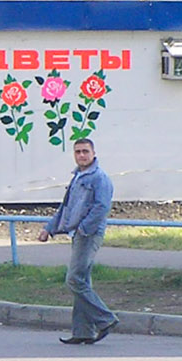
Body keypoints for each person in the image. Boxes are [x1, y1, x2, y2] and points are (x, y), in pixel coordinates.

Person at [37, 137, 118, 344]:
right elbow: (66, 207)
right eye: (78, 152)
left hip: (88, 235)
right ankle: (82, 331)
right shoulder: (77, 176)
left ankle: (105, 319)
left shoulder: (99, 178)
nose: (81, 155)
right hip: (77, 233)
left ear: (93, 154)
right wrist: (49, 229)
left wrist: (84, 229)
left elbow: (101, 207)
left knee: (74, 280)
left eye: (85, 151)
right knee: (82, 281)